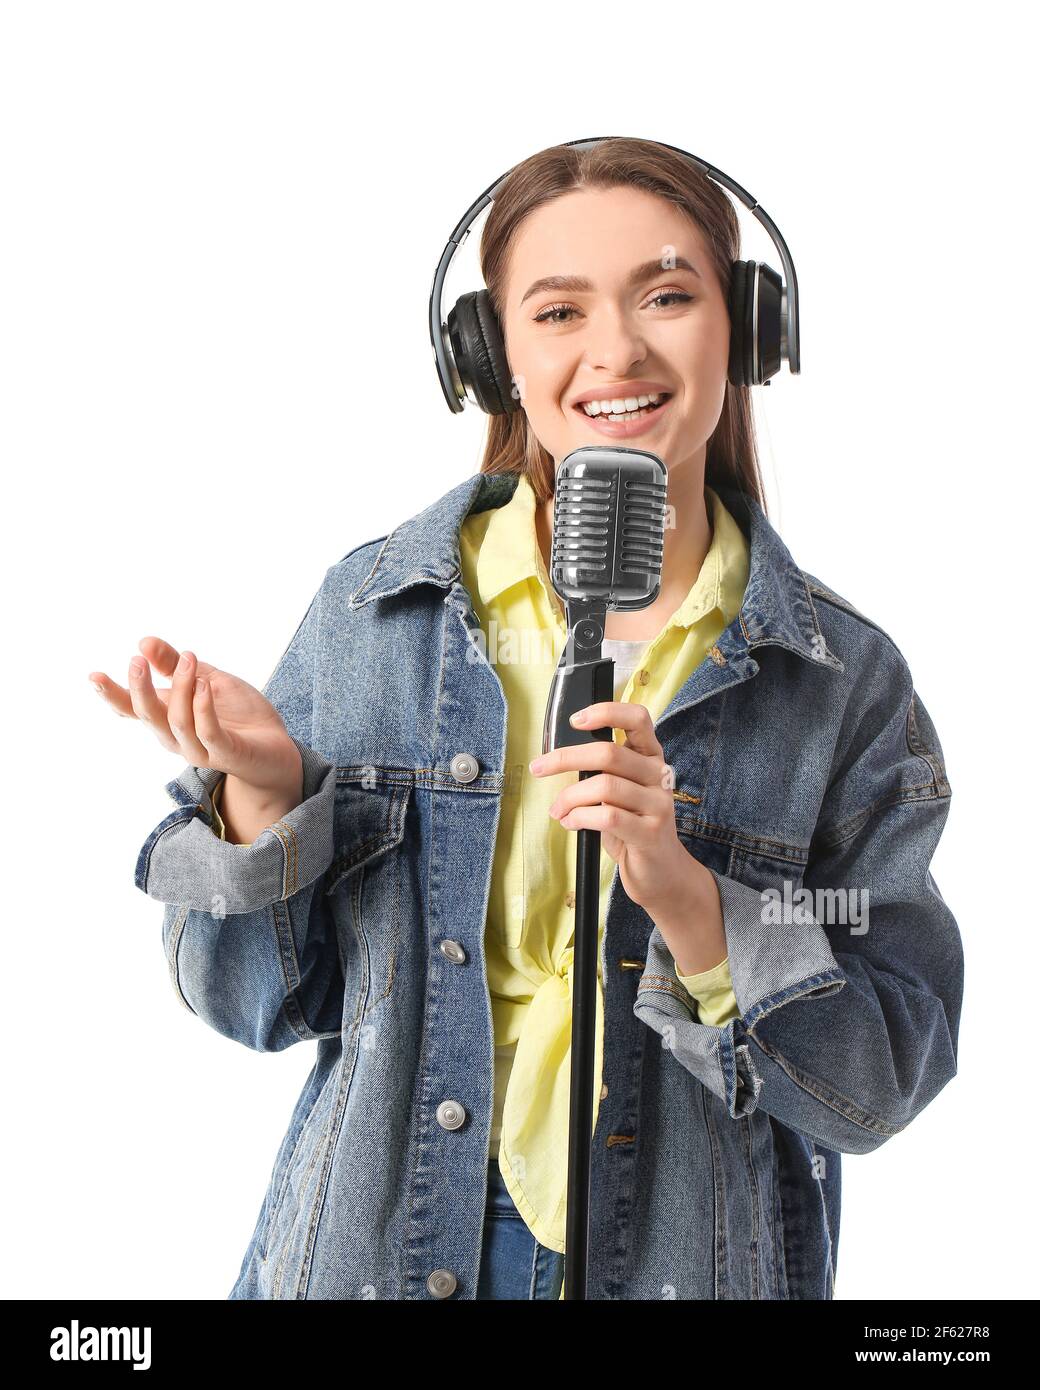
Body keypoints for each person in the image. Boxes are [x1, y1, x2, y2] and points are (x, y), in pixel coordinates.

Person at [90, 138, 963, 1300]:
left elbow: (879, 1077)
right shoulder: (373, 616)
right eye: (557, 311)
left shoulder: (838, 681)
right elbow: (245, 1002)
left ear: (748, 328)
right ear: (487, 354)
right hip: (375, 1258)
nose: (615, 350)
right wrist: (263, 796)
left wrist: (693, 903)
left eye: (665, 294)